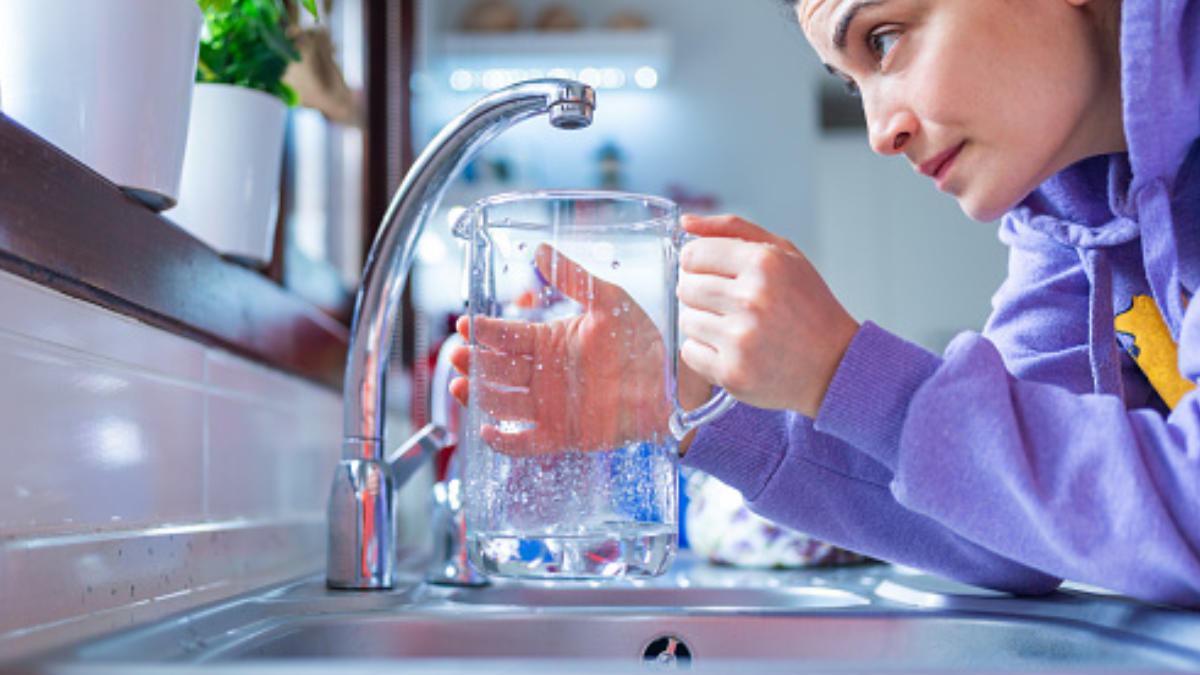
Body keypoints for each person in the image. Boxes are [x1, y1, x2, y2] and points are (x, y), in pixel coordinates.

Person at [452, 0, 1200, 608]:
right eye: (852, 83)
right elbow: (1009, 523)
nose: (882, 131)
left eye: (884, 37)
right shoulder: (1073, 210)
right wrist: (692, 403)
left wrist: (845, 370)